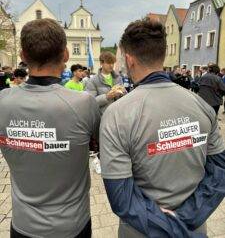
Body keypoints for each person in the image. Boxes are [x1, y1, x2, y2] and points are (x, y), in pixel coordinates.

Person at [100, 18, 225, 238]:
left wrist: (170, 225)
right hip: (193, 228)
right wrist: (186, 219)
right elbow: (219, 171)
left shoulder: (116, 114)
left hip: (141, 231)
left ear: (129, 60)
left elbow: (122, 197)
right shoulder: (202, 105)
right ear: (163, 55)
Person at [0, 18, 100, 238]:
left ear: (22, 56)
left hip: (23, 225)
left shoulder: (2, 102)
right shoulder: (83, 104)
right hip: (72, 226)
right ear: (65, 55)